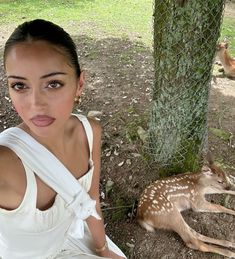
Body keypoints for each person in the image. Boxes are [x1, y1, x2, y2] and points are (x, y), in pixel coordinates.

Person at [0, 19, 126, 259]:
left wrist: (103, 250)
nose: (35, 104)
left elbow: (90, 201)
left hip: (68, 243)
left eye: (53, 84)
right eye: (19, 85)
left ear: (79, 84)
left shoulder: (90, 132)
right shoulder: (5, 162)